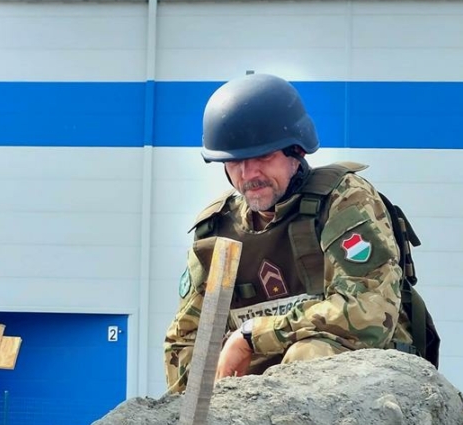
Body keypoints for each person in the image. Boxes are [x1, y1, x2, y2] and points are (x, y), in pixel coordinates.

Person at [164, 73, 412, 393]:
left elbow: (367, 314)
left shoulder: (342, 201)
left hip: (367, 392)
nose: (249, 174)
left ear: (297, 151)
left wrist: (252, 337)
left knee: (307, 355)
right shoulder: (217, 229)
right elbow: (183, 343)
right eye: (236, 162)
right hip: (255, 406)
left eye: (263, 157)